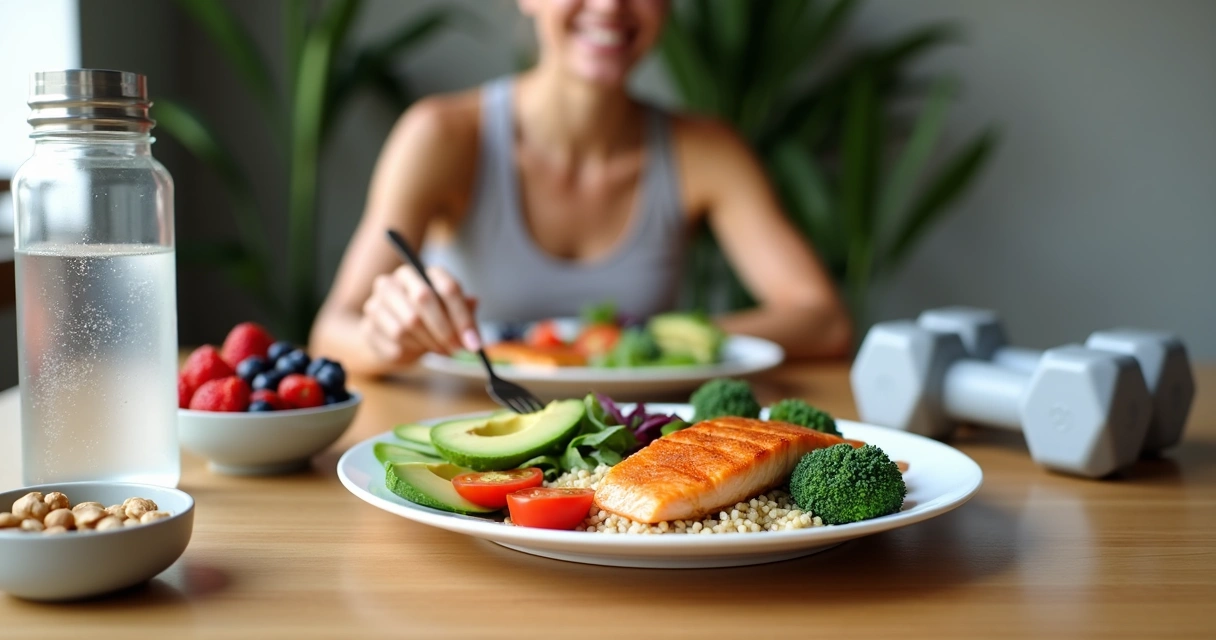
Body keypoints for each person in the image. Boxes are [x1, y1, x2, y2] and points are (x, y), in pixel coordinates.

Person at [311, 0, 852, 376]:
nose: (611, 8)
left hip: (636, 450)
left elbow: (823, 320)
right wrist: (387, 338)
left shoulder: (707, 151)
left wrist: (660, 342)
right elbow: (333, 330)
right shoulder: (441, 136)